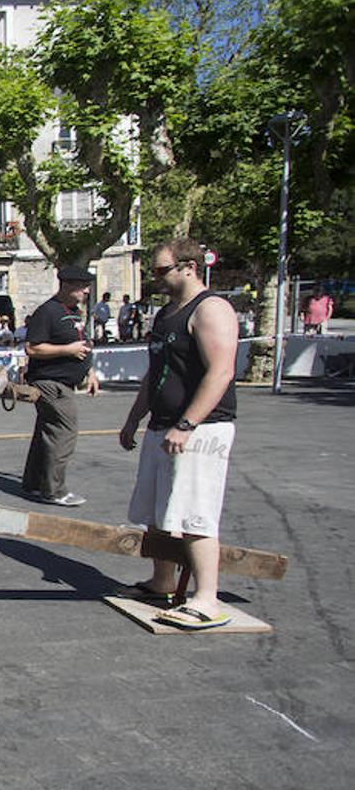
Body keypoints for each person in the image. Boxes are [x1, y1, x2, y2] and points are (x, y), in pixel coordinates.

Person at [118, 238, 240, 630]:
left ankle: (207, 599)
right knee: (156, 514)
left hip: (200, 431)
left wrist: (187, 425)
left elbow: (220, 371)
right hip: (161, 427)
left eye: (160, 270)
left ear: (188, 266)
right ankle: (162, 581)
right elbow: (156, 373)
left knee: (195, 514)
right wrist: (134, 418)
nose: (154, 278)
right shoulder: (167, 314)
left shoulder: (211, 310)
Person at [21, 265, 99, 506]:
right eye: (82, 286)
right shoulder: (48, 312)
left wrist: (90, 371)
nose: (86, 291)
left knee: (47, 432)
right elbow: (32, 348)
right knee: (64, 432)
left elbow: (82, 344)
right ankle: (55, 490)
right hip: (51, 383)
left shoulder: (74, 312)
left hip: (66, 381)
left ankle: (34, 483)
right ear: (67, 285)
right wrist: (67, 350)